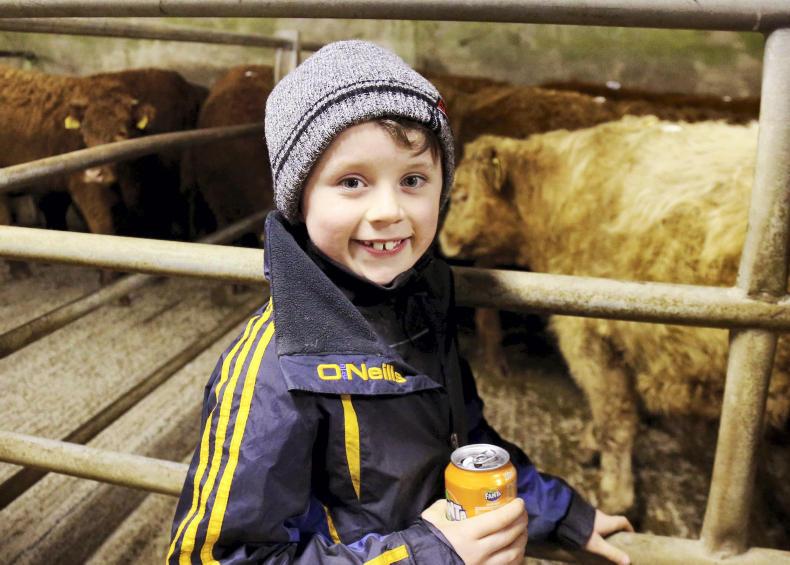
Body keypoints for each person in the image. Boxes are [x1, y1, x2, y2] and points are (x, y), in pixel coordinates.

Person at [167, 40, 633, 565]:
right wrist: (427, 554)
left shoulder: (423, 303)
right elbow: (218, 558)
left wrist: (559, 513)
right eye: (352, 182)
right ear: (300, 197)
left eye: (413, 180)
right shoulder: (274, 373)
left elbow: (460, 440)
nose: (389, 210)